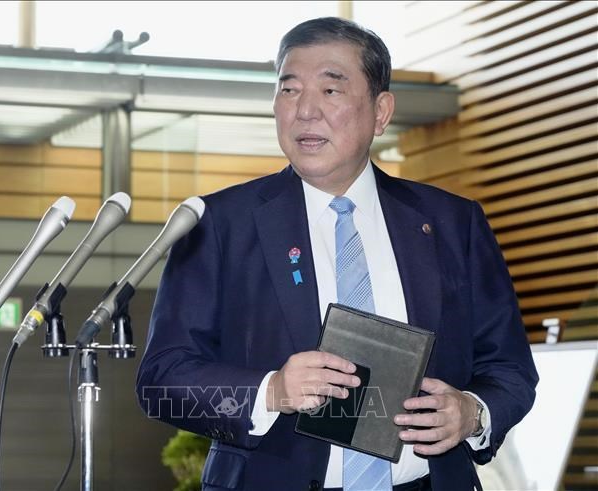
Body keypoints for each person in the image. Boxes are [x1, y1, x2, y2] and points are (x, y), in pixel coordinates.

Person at [136, 17, 538, 491]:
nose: (305, 110)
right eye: (289, 90)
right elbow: (162, 381)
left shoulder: (453, 223)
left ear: (381, 111)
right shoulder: (218, 224)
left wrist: (473, 413)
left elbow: (509, 368)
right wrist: (271, 391)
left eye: (330, 90)